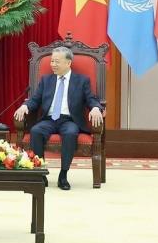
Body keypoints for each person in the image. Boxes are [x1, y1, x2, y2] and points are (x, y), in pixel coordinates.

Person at [13, 46, 103, 191]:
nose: (53, 64)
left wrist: (96, 108)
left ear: (68, 62)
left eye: (57, 61)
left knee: (70, 133)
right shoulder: (46, 80)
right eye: (52, 61)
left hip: (69, 120)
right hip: (49, 120)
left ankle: (63, 175)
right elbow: (35, 100)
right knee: (36, 131)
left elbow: (91, 99)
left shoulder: (81, 81)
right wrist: (25, 106)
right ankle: (40, 172)